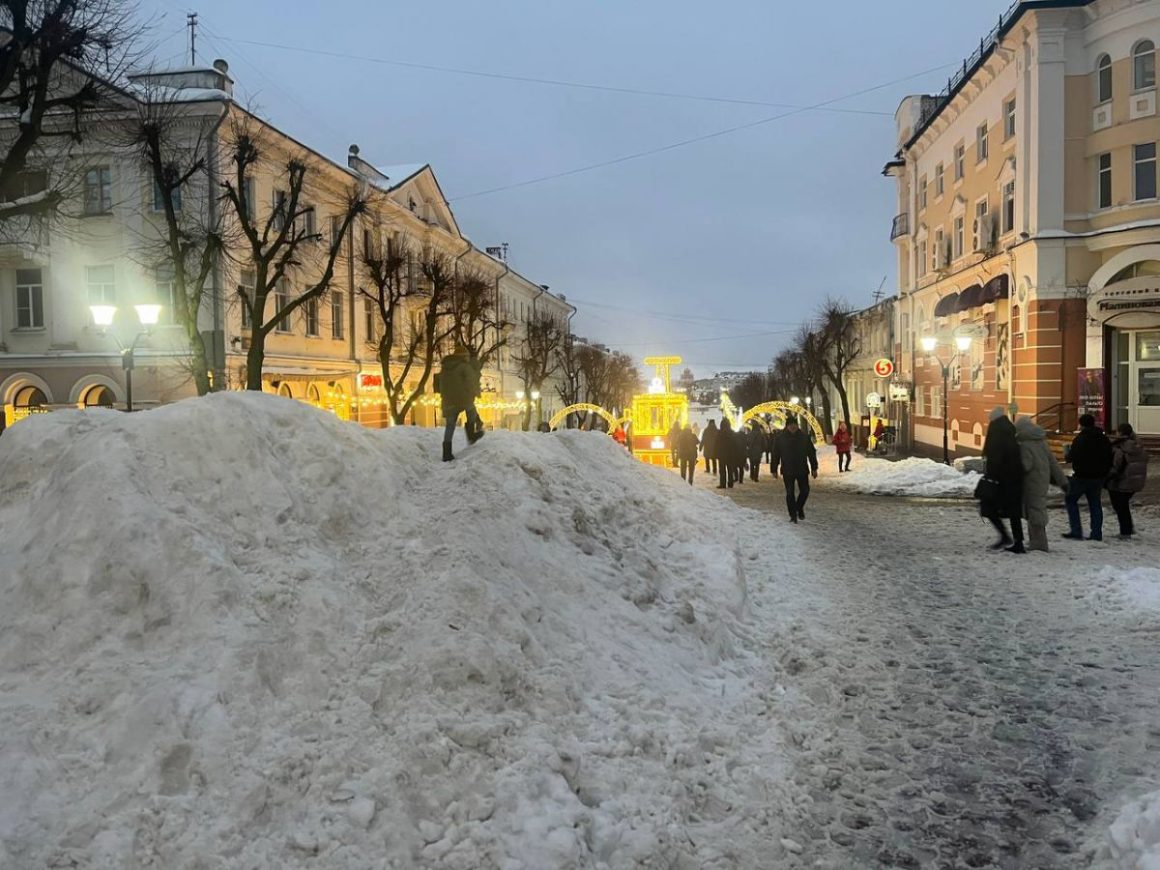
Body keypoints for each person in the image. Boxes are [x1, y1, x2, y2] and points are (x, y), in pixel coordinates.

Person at [1015, 416, 1069, 552]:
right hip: (1041, 481)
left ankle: (1039, 543)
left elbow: (1025, 466)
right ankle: (1036, 541)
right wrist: (1063, 481)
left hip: (1031, 483)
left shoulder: (1025, 446)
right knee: (1036, 510)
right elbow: (1054, 463)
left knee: (1034, 513)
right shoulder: (1041, 442)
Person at [1063, 413, 1114, 541]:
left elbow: (1070, 458)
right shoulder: (1103, 438)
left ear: (1081, 425)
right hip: (1098, 477)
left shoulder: (1080, 439)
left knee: (1071, 500)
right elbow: (1110, 456)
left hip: (1081, 476)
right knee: (1095, 504)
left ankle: (1076, 530)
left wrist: (1067, 453)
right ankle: (1096, 533)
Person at [981, 407, 1025, 552]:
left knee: (988, 507)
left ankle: (1006, 537)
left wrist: (991, 476)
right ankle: (1018, 541)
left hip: (1000, 478)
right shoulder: (1010, 429)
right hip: (1014, 478)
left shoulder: (996, 431)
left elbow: (994, 456)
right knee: (1014, 511)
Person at [437, 343, 484, 462]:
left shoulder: (444, 368)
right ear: (464, 356)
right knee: (472, 412)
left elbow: (440, 385)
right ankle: (471, 435)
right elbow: (470, 382)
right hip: (463, 398)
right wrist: (475, 393)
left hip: (448, 401)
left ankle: (446, 453)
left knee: (450, 426)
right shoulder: (464, 366)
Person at [770, 416, 819, 523]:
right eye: (791, 425)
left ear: (797, 425)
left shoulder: (804, 437)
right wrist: (774, 469)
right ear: (787, 426)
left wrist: (814, 468)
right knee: (790, 493)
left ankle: (799, 507)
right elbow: (775, 454)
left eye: (795, 424)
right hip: (788, 470)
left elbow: (811, 453)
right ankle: (793, 515)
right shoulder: (780, 438)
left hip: (802, 469)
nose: (793, 427)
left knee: (805, 491)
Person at [1107, 422, 1149, 539]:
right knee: (1123, 505)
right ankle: (1128, 528)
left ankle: (1126, 531)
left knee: (1120, 506)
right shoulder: (1139, 446)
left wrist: (1107, 477)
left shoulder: (1120, 447)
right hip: (1136, 481)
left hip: (1122, 481)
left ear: (1120, 433)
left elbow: (1117, 465)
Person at [716, 419, 735, 489]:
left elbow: (716, 444)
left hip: (722, 454)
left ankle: (723, 484)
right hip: (730, 454)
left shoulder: (720, 433)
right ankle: (730, 483)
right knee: (730, 469)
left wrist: (716, 453)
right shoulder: (732, 433)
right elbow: (734, 444)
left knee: (722, 470)